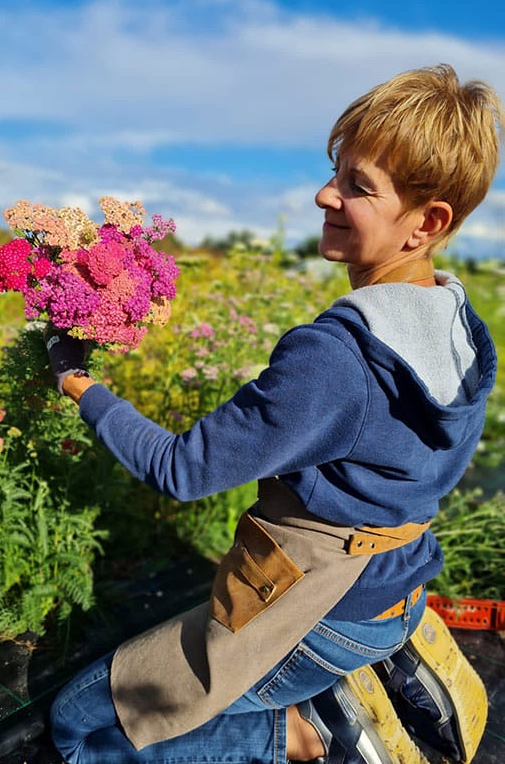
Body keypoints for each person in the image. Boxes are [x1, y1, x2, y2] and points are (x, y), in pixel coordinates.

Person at [45, 63, 502, 764]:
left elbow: (181, 470)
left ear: (427, 223)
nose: (325, 193)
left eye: (359, 185)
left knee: (80, 728)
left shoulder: (336, 358)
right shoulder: (460, 322)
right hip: (400, 589)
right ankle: (340, 686)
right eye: (336, 170)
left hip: (324, 612)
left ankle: (309, 736)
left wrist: (77, 380)